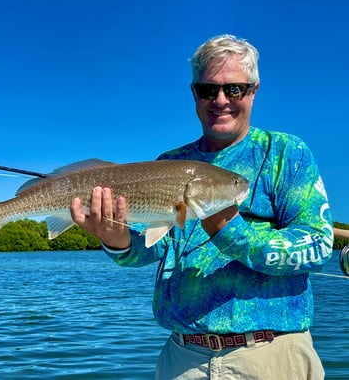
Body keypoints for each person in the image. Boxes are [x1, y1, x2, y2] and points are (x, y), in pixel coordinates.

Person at [70, 34, 333, 379]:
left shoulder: (286, 153)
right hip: (182, 358)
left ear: (253, 90)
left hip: (271, 356)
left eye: (234, 89)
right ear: (194, 94)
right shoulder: (170, 162)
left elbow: (318, 246)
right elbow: (149, 250)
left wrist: (231, 232)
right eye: (208, 90)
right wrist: (115, 241)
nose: (220, 100)